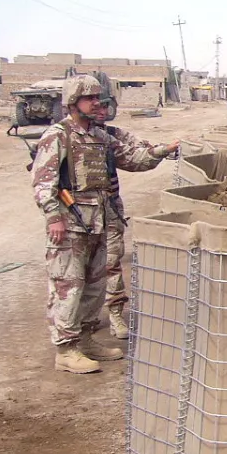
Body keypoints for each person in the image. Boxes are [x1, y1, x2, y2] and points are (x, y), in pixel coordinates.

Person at [32, 75, 179, 373]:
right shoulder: (58, 136)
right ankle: (65, 349)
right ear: (73, 103)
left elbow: (134, 159)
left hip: (99, 224)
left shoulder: (100, 137)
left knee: (95, 288)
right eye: (90, 99)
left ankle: (85, 340)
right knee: (67, 288)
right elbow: (42, 182)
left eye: (98, 98)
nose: (96, 103)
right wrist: (54, 217)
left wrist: (163, 150)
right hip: (71, 227)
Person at [93, 97, 176, 339]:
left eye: (104, 106)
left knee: (111, 264)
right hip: (75, 217)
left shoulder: (111, 136)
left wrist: (163, 150)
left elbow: (137, 153)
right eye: (95, 105)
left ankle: (116, 315)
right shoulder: (63, 136)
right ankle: (79, 324)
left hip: (108, 212)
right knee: (77, 273)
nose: (101, 110)